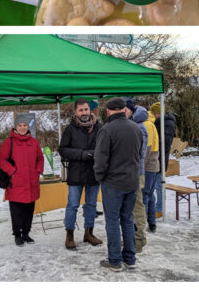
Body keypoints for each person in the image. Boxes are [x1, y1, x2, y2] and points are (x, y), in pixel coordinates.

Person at [94, 97, 142, 272]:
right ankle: (130, 258)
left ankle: (115, 260)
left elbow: (100, 159)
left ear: (108, 112)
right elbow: (139, 153)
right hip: (132, 181)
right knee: (127, 219)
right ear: (124, 109)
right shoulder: (136, 128)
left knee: (112, 221)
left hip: (113, 183)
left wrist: (99, 177)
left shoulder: (107, 130)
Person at [59, 99, 102, 250]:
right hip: (76, 173)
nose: (84, 112)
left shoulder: (98, 127)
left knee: (91, 205)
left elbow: (104, 147)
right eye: (81, 110)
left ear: (90, 110)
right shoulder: (70, 129)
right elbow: (62, 150)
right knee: (72, 205)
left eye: (86, 109)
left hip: (93, 173)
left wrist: (96, 155)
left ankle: (88, 233)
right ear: (75, 112)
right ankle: (69, 234)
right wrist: (82, 154)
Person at [0, 113, 44, 246]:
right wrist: (12, 172)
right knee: (16, 211)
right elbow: (1, 160)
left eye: (25, 125)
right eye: (20, 125)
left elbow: (40, 158)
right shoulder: (9, 142)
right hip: (15, 182)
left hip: (31, 182)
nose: (23, 128)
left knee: (29, 209)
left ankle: (26, 233)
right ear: (15, 127)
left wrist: (38, 171)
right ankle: (17, 234)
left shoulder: (34, 142)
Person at [128, 102, 149, 253]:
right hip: (130, 172)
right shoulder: (133, 124)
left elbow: (139, 153)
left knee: (137, 207)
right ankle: (132, 238)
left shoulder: (139, 127)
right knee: (131, 207)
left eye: (124, 110)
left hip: (136, 172)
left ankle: (139, 240)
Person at [150, 101, 175, 217]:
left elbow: (166, 142)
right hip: (154, 157)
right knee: (152, 185)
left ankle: (160, 209)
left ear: (159, 113)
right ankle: (155, 207)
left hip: (161, 158)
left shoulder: (168, 123)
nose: (153, 115)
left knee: (159, 185)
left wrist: (154, 141)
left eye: (154, 113)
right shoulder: (157, 123)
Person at [142, 107, 161, 232]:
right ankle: (152, 222)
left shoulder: (146, 125)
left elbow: (146, 149)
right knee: (150, 195)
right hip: (153, 165)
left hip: (148, 166)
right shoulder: (151, 123)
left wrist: (140, 167)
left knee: (144, 195)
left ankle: (141, 224)